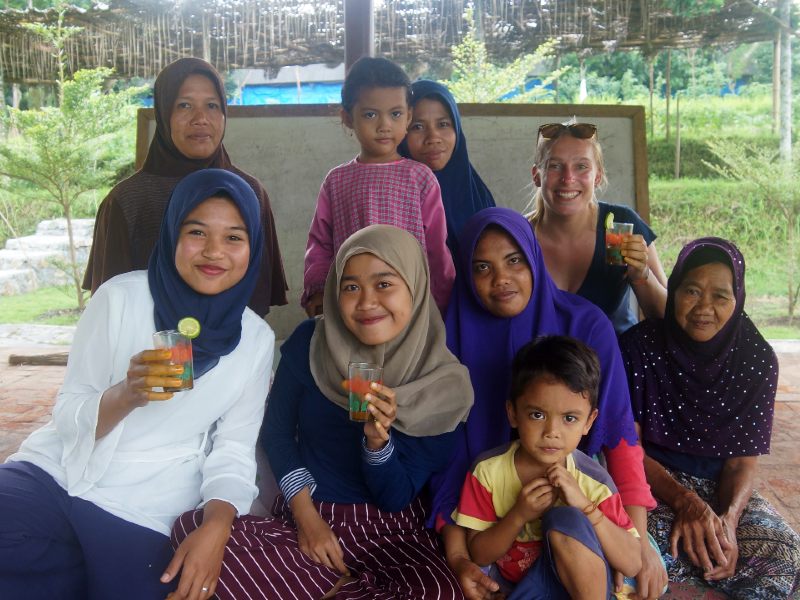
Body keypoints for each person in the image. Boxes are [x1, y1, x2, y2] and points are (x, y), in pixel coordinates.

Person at [0, 169, 275, 600]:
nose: (214, 251)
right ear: (171, 234)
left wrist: (217, 526)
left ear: (254, 246)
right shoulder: (119, 299)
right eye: (197, 232)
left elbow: (233, 450)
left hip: (149, 496)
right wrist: (126, 394)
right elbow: (69, 411)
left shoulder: (255, 340)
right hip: (61, 470)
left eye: (234, 238)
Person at [173, 225, 474, 599]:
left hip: (392, 533)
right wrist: (307, 519)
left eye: (384, 284)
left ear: (415, 286)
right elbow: (277, 433)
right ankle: (348, 590)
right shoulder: (312, 342)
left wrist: (377, 444)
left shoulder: (441, 387)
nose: (366, 302)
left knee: (442, 592)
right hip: (307, 514)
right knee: (194, 530)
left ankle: (330, 591)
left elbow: (395, 497)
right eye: (350, 287)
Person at [434, 207, 666, 600]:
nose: (501, 279)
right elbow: (446, 465)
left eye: (514, 261)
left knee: (637, 573)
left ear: (534, 258)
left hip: (579, 505)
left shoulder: (587, 325)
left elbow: (619, 438)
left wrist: (639, 543)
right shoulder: (447, 341)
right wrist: (459, 560)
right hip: (491, 523)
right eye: (482, 267)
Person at [619, 237, 800, 599]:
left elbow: (741, 462)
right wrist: (687, 503)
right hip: (654, 485)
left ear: (738, 299)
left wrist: (728, 522)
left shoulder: (757, 360)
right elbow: (629, 449)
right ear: (673, 292)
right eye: (691, 291)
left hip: (720, 490)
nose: (704, 307)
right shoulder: (640, 347)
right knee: (633, 556)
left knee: (784, 554)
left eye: (720, 295)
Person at [83, 57, 287, 314]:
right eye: (184, 105)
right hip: (148, 349)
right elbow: (109, 305)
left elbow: (257, 297)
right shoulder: (127, 200)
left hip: (233, 346)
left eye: (212, 105)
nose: (200, 118)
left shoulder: (250, 193)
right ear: (163, 113)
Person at [454, 335, 641, 599]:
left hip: (583, 588)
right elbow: (479, 553)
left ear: (589, 422)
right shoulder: (487, 472)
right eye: (537, 415)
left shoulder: (594, 481)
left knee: (566, 518)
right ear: (513, 413)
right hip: (524, 588)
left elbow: (632, 563)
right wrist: (518, 515)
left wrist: (586, 508)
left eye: (569, 418)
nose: (552, 432)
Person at [302, 58, 455, 316]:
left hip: (412, 306)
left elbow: (436, 249)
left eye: (395, 114)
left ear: (408, 116)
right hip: (353, 306)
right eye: (370, 114)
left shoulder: (420, 178)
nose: (384, 125)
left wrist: (441, 304)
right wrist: (317, 291)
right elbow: (320, 244)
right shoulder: (337, 180)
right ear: (347, 118)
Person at [527, 120, 667, 334]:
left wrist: (641, 275)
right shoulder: (519, 234)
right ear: (537, 176)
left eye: (581, 166)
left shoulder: (621, 224)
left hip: (617, 362)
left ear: (598, 176)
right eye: (555, 165)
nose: (568, 178)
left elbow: (666, 317)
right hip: (540, 365)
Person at [399, 79, 495, 259]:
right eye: (417, 127)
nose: (433, 138)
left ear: (457, 129)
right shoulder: (390, 198)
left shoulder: (477, 197)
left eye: (443, 124)